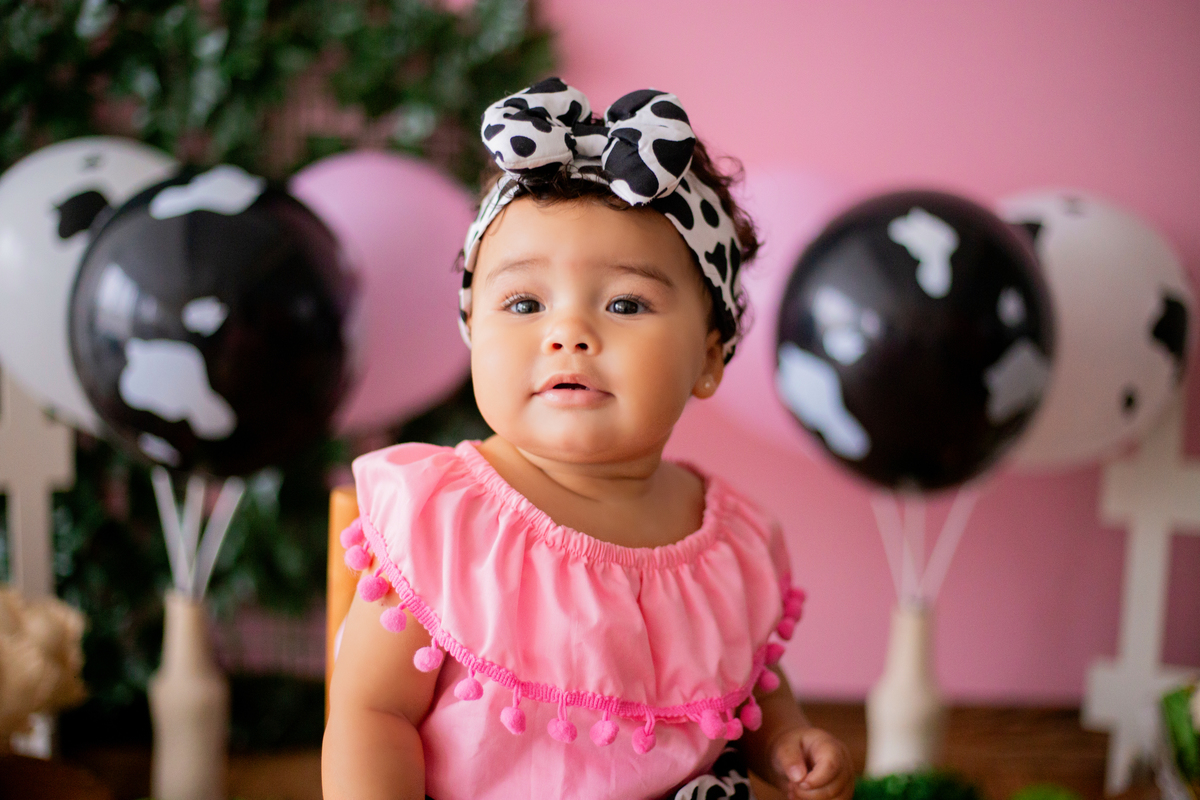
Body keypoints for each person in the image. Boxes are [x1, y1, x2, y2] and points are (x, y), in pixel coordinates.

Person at [323, 78, 855, 800]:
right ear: (473, 329)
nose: (568, 332)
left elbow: (746, 686)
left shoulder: (731, 541)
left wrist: (785, 738)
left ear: (708, 357)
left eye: (626, 303)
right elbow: (372, 713)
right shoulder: (444, 521)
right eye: (523, 302)